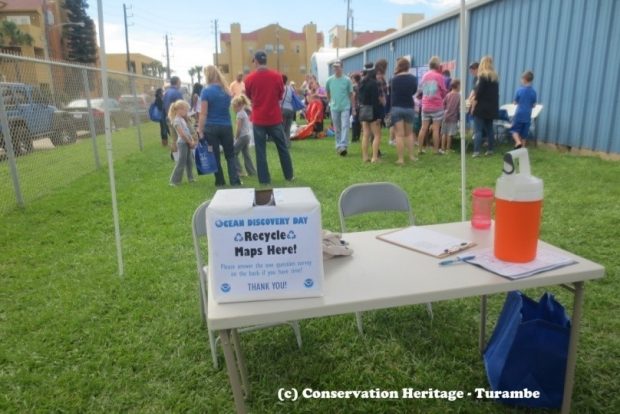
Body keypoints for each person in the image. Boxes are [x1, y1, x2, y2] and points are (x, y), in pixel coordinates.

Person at [245, 50, 294, 184]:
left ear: (255, 61)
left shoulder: (249, 78)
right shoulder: (277, 76)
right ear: (265, 60)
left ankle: (264, 179)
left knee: (260, 151)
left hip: (259, 119)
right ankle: (289, 175)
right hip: (274, 118)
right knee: (282, 147)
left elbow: (249, 96)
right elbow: (280, 94)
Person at [198, 65, 241, 186]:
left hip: (211, 127)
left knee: (215, 155)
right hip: (226, 126)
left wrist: (200, 130)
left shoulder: (206, 91)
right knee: (230, 154)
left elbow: (203, 113)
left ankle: (220, 181)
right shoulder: (226, 91)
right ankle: (234, 180)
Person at [416, 56, 447, 155]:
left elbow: (420, 90)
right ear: (438, 65)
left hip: (425, 105)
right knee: (436, 129)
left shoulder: (424, 76)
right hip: (437, 106)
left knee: (423, 128)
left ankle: (420, 149)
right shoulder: (439, 76)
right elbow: (443, 91)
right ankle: (435, 150)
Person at [390, 57, 418, 164]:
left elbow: (392, 92)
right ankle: (411, 156)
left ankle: (401, 159)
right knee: (409, 133)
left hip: (397, 107)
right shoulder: (413, 78)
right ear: (408, 67)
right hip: (409, 107)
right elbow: (414, 91)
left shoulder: (394, 79)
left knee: (399, 134)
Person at [471, 56, 499, 157]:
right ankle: (490, 149)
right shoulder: (495, 77)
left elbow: (479, 93)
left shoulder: (482, 76)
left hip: (481, 107)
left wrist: (473, 104)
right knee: (489, 129)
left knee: (478, 130)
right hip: (491, 108)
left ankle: (476, 151)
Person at [325, 60, 354, 156]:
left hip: (345, 106)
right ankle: (338, 145)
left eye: (337, 67)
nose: (335, 69)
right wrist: (330, 102)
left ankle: (343, 145)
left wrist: (353, 108)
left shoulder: (347, 80)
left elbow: (351, 94)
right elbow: (328, 92)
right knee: (337, 127)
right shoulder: (329, 80)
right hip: (334, 107)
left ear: (342, 67)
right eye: (334, 67)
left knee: (345, 125)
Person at [358, 65, 382, 163]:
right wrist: (378, 116)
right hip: (372, 110)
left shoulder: (361, 83)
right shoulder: (374, 83)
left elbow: (359, 99)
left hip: (363, 110)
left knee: (365, 134)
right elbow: (375, 101)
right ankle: (374, 157)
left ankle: (365, 157)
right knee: (377, 135)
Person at [168, 100, 195, 186]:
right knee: (181, 162)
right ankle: (174, 181)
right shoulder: (176, 121)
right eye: (185, 110)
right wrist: (189, 142)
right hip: (182, 143)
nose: (186, 112)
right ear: (179, 109)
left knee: (189, 161)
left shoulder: (182, 119)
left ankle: (191, 177)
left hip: (187, 142)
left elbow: (187, 132)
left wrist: (192, 140)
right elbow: (182, 134)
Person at [232, 94, 257, 177]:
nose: (233, 109)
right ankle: (252, 171)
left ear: (239, 106)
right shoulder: (244, 113)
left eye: (234, 107)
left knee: (233, 153)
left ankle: (239, 171)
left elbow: (238, 128)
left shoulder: (239, 114)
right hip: (247, 136)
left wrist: (235, 138)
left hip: (242, 137)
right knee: (246, 154)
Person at [511, 70, 537, 149]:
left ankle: (518, 142)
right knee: (524, 135)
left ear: (524, 79)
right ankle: (522, 149)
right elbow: (534, 105)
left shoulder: (519, 90)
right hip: (527, 116)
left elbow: (515, 102)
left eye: (521, 79)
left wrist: (515, 102)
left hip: (519, 114)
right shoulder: (533, 92)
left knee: (514, 130)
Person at [163, 76, 184, 151]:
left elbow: (164, 106)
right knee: (181, 138)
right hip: (177, 119)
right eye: (180, 82)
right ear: (177, 82)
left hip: (169, 118)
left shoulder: (166, 93)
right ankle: (180, 155)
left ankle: (175, 155)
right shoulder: (177, 93)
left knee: (174, 139)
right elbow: (182, 106)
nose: (180, 84)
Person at [441, 79, 461, 154]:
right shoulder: (459, 96)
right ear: (458, 86)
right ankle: (448, 148)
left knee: (444, 133)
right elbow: (459, 107)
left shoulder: (448, 94)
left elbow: (443, 104)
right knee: (450, 134)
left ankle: (442, 148)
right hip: (453, 117)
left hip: (445, 116)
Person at [280, 74, 296, 148]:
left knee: (282, 128)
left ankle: (283, 144)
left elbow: (278, 100)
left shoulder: (280, 88)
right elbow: (294, 97)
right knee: (288, 128)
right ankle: (288, 144)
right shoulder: (290, 88)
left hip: (283, 109)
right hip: (291, 110)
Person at [350, 72, 362, 142]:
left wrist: (353, 107)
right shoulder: (361, 85)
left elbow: (353, 97)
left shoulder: (354, 87)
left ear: (354, 79)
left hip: (356, 106)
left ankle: (354, 138)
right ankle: (357, 137)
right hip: (361, 106)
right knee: (359, 122)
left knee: (355, 122)